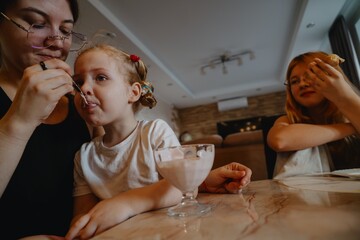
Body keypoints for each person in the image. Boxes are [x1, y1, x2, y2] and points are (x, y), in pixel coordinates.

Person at [65, 44, 252, 240]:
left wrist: (126, 203)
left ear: (133, 92)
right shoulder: (84, 156)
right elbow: (82, 212)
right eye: (78, 82)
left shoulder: (155, 132)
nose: (84, 89)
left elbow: (182, 186)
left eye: (100, 78)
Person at [0, 0, 96, 239]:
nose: (55, 42)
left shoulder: (81, 103)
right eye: (37, 23)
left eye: (65, 31)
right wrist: (19, 121)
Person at [267, 51, 360, 179]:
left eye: (310, 76)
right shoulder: (289, 120)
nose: (303, 84)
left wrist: (343, 96)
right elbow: (280, 140)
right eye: (294, 81)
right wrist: (352, 127)